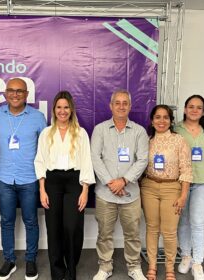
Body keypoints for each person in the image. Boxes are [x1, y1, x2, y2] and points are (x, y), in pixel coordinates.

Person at [0, 78, 46, 280]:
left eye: (20, 91)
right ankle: (9, 260)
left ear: (27, 94)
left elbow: (44, 149)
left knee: (31, 221)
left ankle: (30, 260)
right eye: (11, 90)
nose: (15, 94)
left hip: (29, 178)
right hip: (4, 178)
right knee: (6, 221)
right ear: (5, 93)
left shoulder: (38, 117)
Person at [34, 90, 95, 280]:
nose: (62, 111)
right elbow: (40, 161)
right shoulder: (46, 133)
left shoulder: (81, 133)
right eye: (59, 107)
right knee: (53, 228)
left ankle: (71, 269)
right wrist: (42, 190)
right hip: (52, 182)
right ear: (54, 110)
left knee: (72, 227)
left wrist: (85, 190)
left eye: (66, 107)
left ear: (71, 110)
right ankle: (57, 271)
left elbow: (86, 161)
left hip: (74, 182)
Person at [90, 90, 149, 280]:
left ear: (130, 106)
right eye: (117, 103)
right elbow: (95, 158)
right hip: (105, 193)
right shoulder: (100, 130)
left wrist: (123, 181)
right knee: (104, 233)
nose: (121, 106)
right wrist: (110, 182)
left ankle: (134, 266)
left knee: (132, 234)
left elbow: (142, 160)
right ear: (111, 106)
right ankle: (105, 267)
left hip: (130, 194)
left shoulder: (139, 131)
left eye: (125, 103)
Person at [140, 105, 192, 280]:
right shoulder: (146, 141)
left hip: (172, 188)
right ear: (152, 121)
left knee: (169, 231)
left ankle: (169, 268)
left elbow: (186, 169)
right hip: (149, 187)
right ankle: (153, 266)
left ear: (171, 121)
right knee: (152, 229)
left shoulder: (179, 140)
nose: (161, 121)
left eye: (165, 117)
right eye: (157, 117)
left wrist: (183, 195)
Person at [175, 95, 204, 280]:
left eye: (199, 107)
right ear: (184, 109)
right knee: (183, 221)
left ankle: (197, 263)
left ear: (203, 111)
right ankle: (186, 256)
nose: (194, 110)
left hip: (203, 183)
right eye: (191, 106)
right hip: (181, 183)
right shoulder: (176, 129)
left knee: (197, 223)